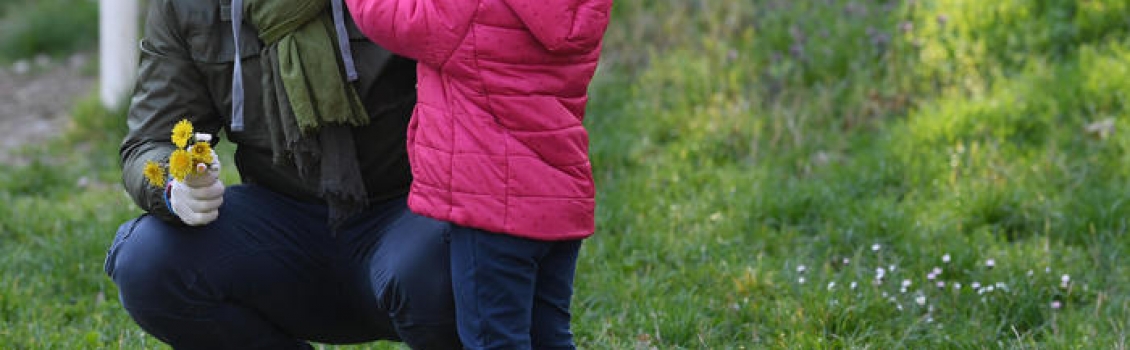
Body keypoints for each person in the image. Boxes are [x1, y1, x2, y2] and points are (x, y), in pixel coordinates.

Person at [103, 0, 461, 348]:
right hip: (283, 226)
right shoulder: (187, 6)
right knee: (147, 261)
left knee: (454, 253)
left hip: (410, 213)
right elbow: (150, 141)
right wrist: (173, 185)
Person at [346, 0, 613, 348]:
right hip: (558, 200)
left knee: (495, 340)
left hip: (494, 210)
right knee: (549, 336)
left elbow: (385, 15)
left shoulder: (469, 7)